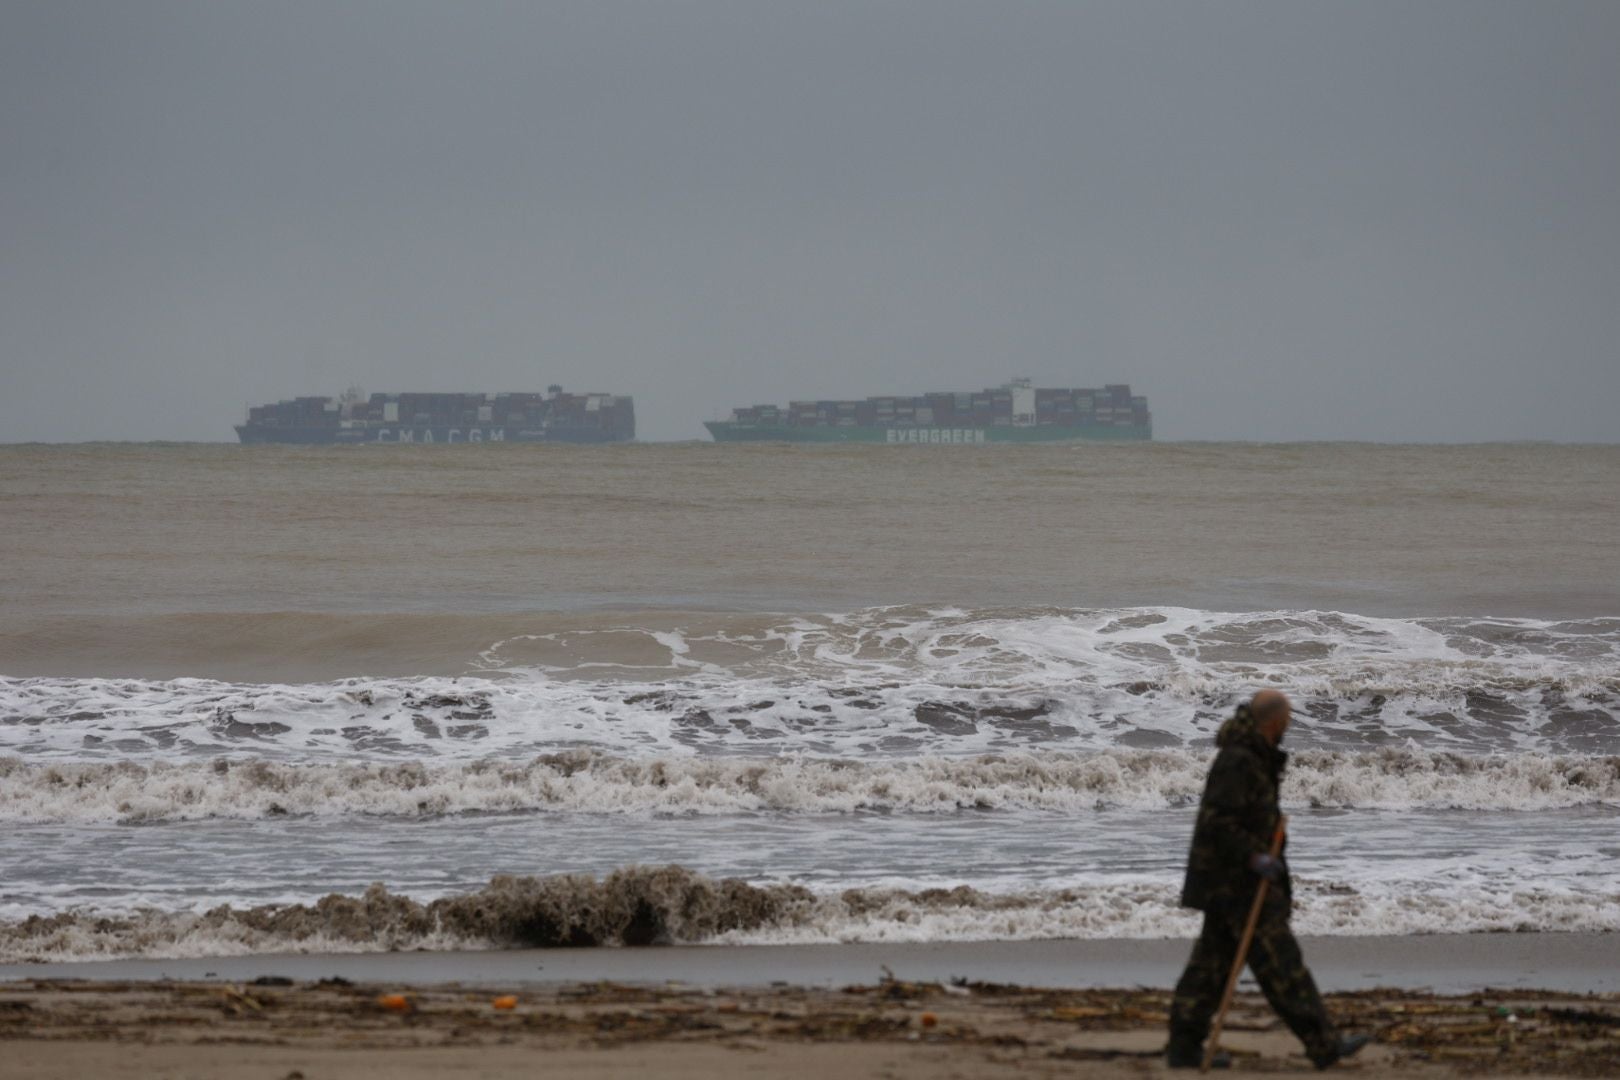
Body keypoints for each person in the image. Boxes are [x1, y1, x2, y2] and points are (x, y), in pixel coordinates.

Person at [1166, 690, 1369, 1070]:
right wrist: (1254, 857)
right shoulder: (1239, 760)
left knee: (1209, 969)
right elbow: (1217, 822)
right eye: (1287, 720)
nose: (1288, 726)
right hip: (1236, 884)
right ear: (1275, 722)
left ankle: (1183, 1046)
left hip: (1229, 883)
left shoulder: (1252, 756)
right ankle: (1324, 1045)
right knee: (1282, 967)